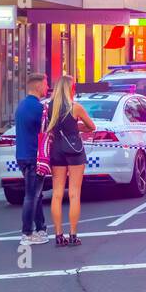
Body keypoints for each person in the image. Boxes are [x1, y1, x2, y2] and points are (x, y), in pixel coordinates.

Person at [46, 75, 96, 247]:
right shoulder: (75, 108)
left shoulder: (49, 108)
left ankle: (58, 235)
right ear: (71, 89)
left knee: (57, 194)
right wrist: (77, 127)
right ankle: (73, 235)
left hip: (57, 151)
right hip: (74, 151)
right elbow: (92, 126)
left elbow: (49, 129)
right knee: (74, 193)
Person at [14, 74, 49, 245]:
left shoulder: (21, 106)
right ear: (38, 86)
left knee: (36, 195)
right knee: (31, 196)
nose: (47, 87)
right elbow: (48, 130)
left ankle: (40, 229)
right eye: (45, 84)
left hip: (22, 155)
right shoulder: (39, 109)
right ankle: (27, 233)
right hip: (34, 157)